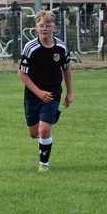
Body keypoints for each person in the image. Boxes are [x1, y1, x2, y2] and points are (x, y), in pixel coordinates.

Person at [18, 10, 73, 172]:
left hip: (53, 92)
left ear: (54, 27)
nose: (45, 28)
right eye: (41, 25)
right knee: (34, 133)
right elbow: (22, 74)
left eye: (48, 25)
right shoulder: (30, 48)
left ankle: (44, 165)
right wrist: (38, 92)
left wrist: (69, 93)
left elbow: (67, 70)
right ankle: (48, 118)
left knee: (44, 129)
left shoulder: (61, 47)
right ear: (36, 27)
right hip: (33, 94)